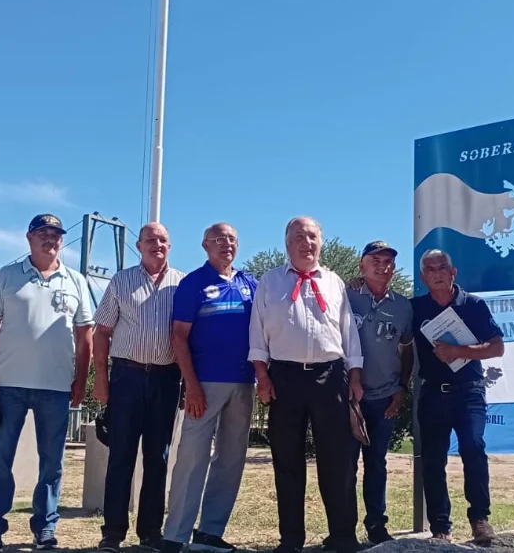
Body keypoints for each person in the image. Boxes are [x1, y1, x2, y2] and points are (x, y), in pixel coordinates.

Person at [0, 214, 94, 553]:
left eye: (56, 234)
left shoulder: (76, 281)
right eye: (43, 233)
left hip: (56, 386)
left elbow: (85, 335)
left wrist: (81, 380)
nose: (50, 239)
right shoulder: (7, 276)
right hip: (8, 383)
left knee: (52, 463)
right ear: (29, 238)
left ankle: (45, 528)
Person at [248, 216, 364, 553]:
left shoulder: (333, 281)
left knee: (338, 460)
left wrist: (355, 375)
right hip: (284, 378)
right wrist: (262, 375)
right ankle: (291, 540)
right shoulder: (270, 282)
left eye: (312, 236)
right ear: (287, 244)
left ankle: (343, 537)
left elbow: (348, 331)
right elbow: (257, 331)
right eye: (299, 236)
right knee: (287, 461)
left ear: (320, 243)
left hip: (330, 377)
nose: (306, 242)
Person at [160, 223, 258, 553]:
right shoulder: (194, 283)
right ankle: (175, 535)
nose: (226, 244)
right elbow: (178, 337)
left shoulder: (250, 284)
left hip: (243, 383)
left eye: (231, 239)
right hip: (204, 384)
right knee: (192, 458)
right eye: (218, 239)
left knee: (231, 459)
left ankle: (210, 532)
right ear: (205, 245)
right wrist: (192, 386)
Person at [93, 222, 185, 553]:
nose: (157, 244)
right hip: (127, 378)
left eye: (163, 239)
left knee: (158, 457)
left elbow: (188, 336)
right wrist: (101, 379)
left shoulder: (182, 283)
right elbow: (102, 332)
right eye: (150, 240)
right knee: (121, 455)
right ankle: (112, 532)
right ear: (139, 245)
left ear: (169, 245)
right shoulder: (121, 281)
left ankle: (150, 532)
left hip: (166, 378)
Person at [410, 249, 504, 545]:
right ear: (423, 277)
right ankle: (440, 527)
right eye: (430, 269)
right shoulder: (415, 308)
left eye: (442, 267)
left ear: (453, 273)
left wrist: (458, 351)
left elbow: (497, 347)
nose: (437, 273)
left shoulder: (474, 305)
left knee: (473, 448)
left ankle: (480, 519)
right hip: (432, 393)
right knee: (432, 459)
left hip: (469, 391)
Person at [345, 241, 414, 545]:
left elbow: (407, 349)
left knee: (376, 464)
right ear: (362, 265)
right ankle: (344, 531)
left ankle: (376, 526)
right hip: (348, 398)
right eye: (375, 260)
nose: (382, 266)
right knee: (346, 466)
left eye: (388, 262)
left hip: (384, 398)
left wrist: (402, 388)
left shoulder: (403, 306)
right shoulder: (345, 297)